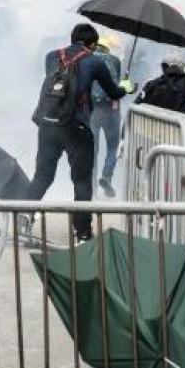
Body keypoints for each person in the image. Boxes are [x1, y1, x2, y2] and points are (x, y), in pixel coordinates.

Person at [26, 24, 127, 241]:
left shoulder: (51, 56)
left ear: (73, 39)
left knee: (42, 175)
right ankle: (82, 232)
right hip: (76, 126)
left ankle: (24, 217)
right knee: (81, 181)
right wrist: (126, 87)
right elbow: (113, 92)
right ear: (92, 44)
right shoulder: (95, 61)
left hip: (48, 123)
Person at [88, 35, 127, 197]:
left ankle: (91, 185)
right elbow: (116, 87)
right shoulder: (115, 61)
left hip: (92, 110)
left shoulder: (87, 60)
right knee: (112, 146)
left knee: (92, 148)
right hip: (111, 109)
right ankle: (106, 177)